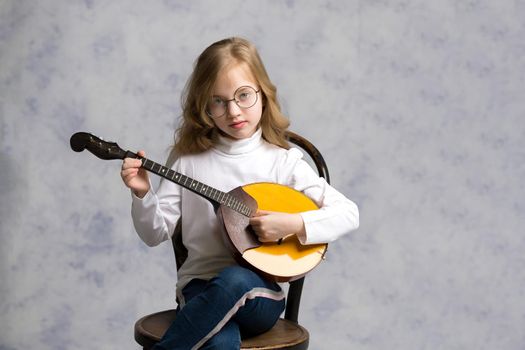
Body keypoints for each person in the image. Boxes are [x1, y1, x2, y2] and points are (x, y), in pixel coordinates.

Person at [120, 37, 359, 350]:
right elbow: (154, 234)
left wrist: (292, 224)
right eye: (218, 101)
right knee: (219, 344)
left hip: (261, 297)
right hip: (198, 290)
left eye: (243, 95)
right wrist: (142, 195)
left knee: (235, 279)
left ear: (262, 93)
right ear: (203, 106)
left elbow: (348, 214)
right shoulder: (187, 161)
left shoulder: (282, 162)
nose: (233, 110)